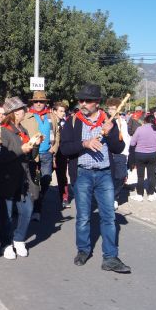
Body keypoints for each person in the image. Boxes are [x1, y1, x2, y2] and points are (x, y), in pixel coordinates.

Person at [60, 83, 130, 274]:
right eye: (81, 100)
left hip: (105, 174)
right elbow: (65, 149)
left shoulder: (109, 121)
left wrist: (111, 133)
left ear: (97, 102)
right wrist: (85, 143)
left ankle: (110, 257)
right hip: (82, 174)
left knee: (108, 217)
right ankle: (83, 250)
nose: (83, 103)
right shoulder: (73, 121)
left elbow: (118, 149)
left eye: (88, 100)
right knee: (83, 217)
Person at [0, 97, 39, 260]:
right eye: (19, 110)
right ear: (11, 113)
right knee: (7, 215)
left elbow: (31, 156)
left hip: (23, 177)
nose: (23, 112)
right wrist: (21, 149)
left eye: (23, 109)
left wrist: (35, 145)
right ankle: (5, 243)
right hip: (6, 177)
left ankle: (18, 239)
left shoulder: (23, 130)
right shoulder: (2, 130)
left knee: (27, 210)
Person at [20, 90, 59, 221]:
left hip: (47, 153)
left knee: (46, 179)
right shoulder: (26, 116)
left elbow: (57, 133)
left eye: (41, 101)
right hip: (32, 154)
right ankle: (34, 207)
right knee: (33, 183)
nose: (38, 103)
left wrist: (54, 149)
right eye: (36, 101)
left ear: (45, 103)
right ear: (32, 102)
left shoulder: (51, 116)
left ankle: (39, 200)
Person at [129, 114, 156, 201]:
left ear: (145, 121)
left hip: (140, 154)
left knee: (140, 176)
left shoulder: (140, 129)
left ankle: (139, 195)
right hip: (153, 154)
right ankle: (151, 194)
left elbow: (132, 143)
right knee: (151, 175)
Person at [106, 98, 130, 209]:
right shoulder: (106, 122)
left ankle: (114, 196)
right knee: (109, 177)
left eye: (113, 109)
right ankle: (110, 198)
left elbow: (126, 138)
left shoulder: (123, 122)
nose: (111, 111)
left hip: (121, 154)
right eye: (109, 109)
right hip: (109, 154)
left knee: (120, 177)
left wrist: (126, 153)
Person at [53, 102, 71, 209]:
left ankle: (64, 198)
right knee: (44, 178)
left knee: (62, 177)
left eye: (64, 111)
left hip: (62, 154)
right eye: (60, 111)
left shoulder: (66, 123)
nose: (63, 113)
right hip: (51, 153)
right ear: (54, 111)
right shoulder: (50, 122)